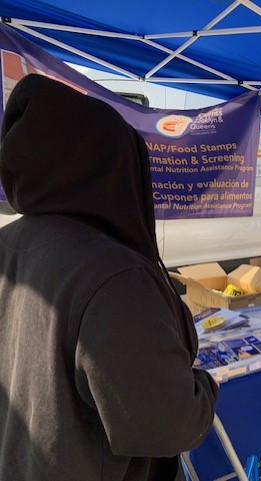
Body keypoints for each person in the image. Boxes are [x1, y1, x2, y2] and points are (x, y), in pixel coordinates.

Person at [0, 75, 217, 480]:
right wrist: (206, 387)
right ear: (110, 168)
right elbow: (168, 422)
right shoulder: (115, 276)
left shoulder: (9, 244)